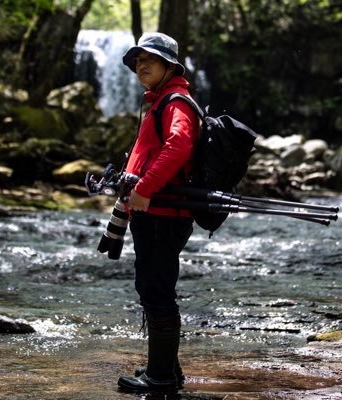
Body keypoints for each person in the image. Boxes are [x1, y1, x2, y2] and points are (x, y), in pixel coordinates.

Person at [117, 32, 199, 392]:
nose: (141, 65)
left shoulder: (175, 101)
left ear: (170, 65)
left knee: (156, 290)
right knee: (154, 288)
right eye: (137, 60)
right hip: (157, 214)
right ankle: (166, 370)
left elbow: (179, 145)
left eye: (150, 59)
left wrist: (145, 189)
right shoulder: (161, 100)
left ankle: (161, 377)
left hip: (163, 214)